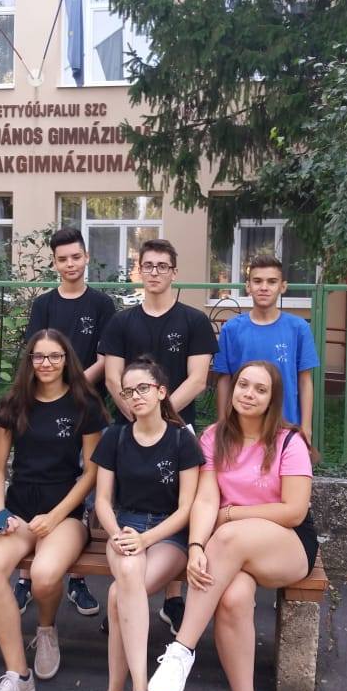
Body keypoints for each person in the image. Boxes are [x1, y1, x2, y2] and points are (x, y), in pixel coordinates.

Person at [147, 360, 318, 691]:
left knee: (228, 536)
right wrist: (195, 546)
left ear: (273, 399)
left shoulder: (289, 441)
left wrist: (232, 515)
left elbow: (294, 510)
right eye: (243, 385)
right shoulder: (213, 437)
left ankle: (182, 649)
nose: (249, 394)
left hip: (286, 545)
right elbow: (206, 499)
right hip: (231, 550)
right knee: (234, 598)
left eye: (260, 389)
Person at [0, 328, 107, 691]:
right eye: (38, 356)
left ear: (66, 360)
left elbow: (91, 472)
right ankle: (17, 675)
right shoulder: (14, 402)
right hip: (18, 509)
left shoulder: (85, 403)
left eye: (54, 356)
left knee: (46, 576)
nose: (46, 363)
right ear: (30, 360)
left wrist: (56, 515)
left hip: (64, 513)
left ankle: (46, 630)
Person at [99, 238, 218, 634]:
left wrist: (162, 416)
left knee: (175, 504)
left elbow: (198, 379)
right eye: (148, 265)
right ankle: (126, 600)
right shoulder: (122, 322)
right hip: (131, 428)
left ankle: (172, 599)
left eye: (162, 266)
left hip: (179, 427)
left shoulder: (194, 321)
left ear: (174, 272)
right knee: (133, 500)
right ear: (139, 271)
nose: (154, 272)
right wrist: (138, 413)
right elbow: (113, 378)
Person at [87, 356, 203, 691]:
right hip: (125, 527)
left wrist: (148, 538)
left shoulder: (182, 440)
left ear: (161, 392)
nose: (135, 396)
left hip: (168, 534)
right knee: (127, 578)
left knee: (118, 595)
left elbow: (186, 509)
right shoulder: (115, 437)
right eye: (128, 391)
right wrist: (118, 533)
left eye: (143, 388)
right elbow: (103, 500)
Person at [14, 226, 116, 617]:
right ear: (54, 263)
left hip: (87, 409)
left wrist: (70, 386)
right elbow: (34, 353)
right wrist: (53, 389)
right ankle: (25, 579)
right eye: (62, 259)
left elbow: (106, 358)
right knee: (37, 480)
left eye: (76, 256)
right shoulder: (44, 304)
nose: (70, 264)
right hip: (43, 409)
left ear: (86, 257)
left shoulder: (102, 304)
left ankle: (77, 580)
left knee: (85, 493)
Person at [213, 254, 319, 443]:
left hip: (286, 428)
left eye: (271, 281)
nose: (264, 287)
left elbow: (305, 381)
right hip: (240, 430)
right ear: (248, 286)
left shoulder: (298, 328)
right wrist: (222, 424)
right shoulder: (231, 329)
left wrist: (306, 429)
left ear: (282, 287)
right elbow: (224, 380)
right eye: (257, 281)